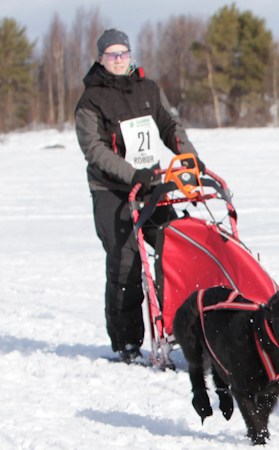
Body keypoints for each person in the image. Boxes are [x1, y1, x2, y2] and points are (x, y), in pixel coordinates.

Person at [75, 29, 204, 363]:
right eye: (111, 55)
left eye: (123, 54)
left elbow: (170, 126)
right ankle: (127, 343)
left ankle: (179, 329)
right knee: (126, 263)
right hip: (112, 190)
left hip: (151, 186)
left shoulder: (148, 89)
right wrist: (131, 174)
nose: (118, 60)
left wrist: (187, 158)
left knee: (174, 251)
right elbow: (94, 150)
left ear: (131, 55)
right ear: (100, 59)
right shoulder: (90, 100)